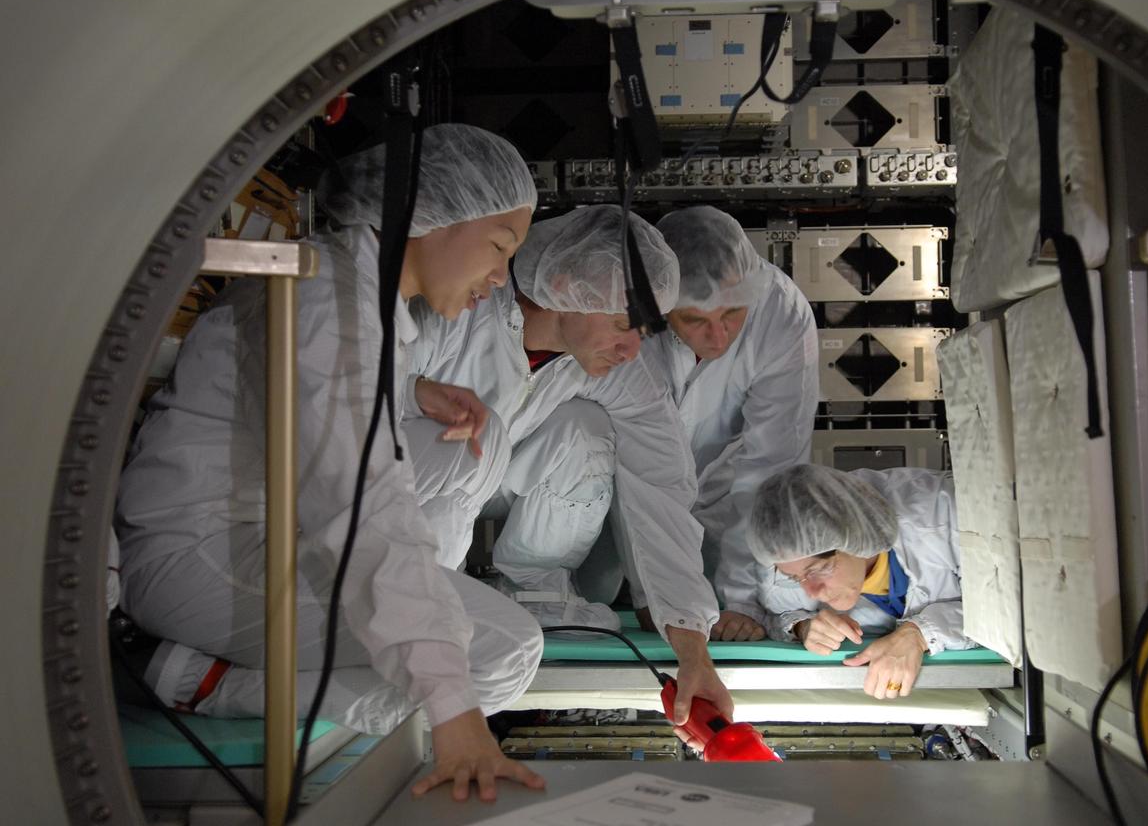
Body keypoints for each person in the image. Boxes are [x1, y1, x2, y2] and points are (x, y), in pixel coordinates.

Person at [115, 123, 546, 801]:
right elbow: (362, 506)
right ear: (425, 213)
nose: (500, 278)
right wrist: (456, 712)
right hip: (197, 555)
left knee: (441, 598)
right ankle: (212, 686)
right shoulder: (332, 302)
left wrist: (408, 390)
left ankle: (203, 675)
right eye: (499, 247)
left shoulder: (347, 289)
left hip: (238, 530)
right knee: (499, 650)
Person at [407, 205, 734, 732]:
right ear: (564, 287)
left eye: (644, 331)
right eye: (624, 324)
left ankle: (535, 589)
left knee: (584, 429)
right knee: (461, 440)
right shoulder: (457, 315)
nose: (633, 349)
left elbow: (662, 490)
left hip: (499, 480)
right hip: (405, 489)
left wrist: (693, 650)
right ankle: (420, 594)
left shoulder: (616, 368)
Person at [643, 206, 818, 642]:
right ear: (661, 305)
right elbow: (635, 458)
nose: (718, 338)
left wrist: (742, 601)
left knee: (726, 605)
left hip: (726, 492)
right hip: (625, 494)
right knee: (610, 602)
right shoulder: (631, 310)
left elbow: (770, 468)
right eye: (695, 320)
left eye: (732, 315)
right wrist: (653, 594)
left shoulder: (780, 312)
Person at [747, 464, 972, 699]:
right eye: (794, 577)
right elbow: (772, 615)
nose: (811, 592)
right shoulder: (781, 560)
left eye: (820, 569)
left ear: (856, 535)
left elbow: (1005, 607)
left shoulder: (945, 517)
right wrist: (802, 626)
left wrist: (918, 634)